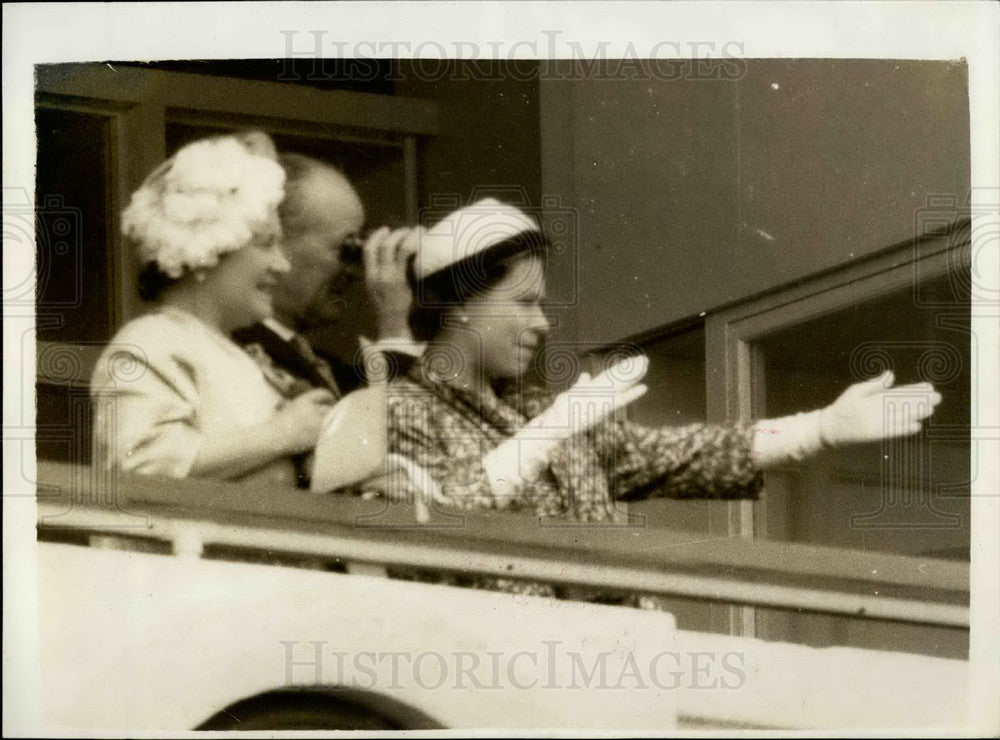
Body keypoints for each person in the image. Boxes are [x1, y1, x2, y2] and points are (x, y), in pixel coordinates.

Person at [377, 198, 942, 596]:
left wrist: (819, 427)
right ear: (461, 305)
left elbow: (684, 454)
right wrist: (549, 434)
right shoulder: (399, 409)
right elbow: (431, 525)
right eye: (525, 303)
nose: (543, 323)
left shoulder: (537, 409)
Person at [90, 132, 335, 485]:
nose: (282, 265)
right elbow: (142, 471)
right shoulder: (151, 342)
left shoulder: (237, 354)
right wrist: (282, 434)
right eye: (266, 244)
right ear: (208, 248)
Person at [232, 154, 422, 403]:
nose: (355, 270)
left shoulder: (327, 367)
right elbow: (393, 432)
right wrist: (393, 328)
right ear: (276, 239)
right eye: (347, 248)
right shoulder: (240, 354)